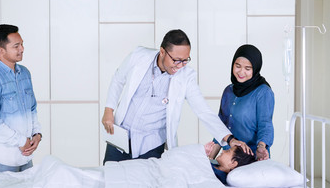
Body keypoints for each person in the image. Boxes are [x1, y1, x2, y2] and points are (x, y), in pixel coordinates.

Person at [102, 29, 251, 164]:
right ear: (162, 52)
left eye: (185, 60)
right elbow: (118, 78)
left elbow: (203, 111)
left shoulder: (186, 77)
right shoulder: (138, 55)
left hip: (151, 145)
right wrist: (109, 110)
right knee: (110, 183)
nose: (180, 65)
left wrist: (229, 139)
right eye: (176, 60)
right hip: (120, 138)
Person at [0, 24, 42, 176]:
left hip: (25, 157)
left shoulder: (24, 73)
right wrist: (21, 141)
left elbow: (32, 109)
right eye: (16, 46)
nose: (22, 49)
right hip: (2, 159)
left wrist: (37, 134)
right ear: (1, 51)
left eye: (22, 44)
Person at [208, 44, 274, 161]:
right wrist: (209, 159)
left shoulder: (263, 92)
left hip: (252, 158)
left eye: (248, 69)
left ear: (255, 69)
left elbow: (265, 125)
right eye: (238, 66)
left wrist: (261, 147)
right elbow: (221, 127)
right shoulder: (228, 91)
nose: (241, 72)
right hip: (228, 159)